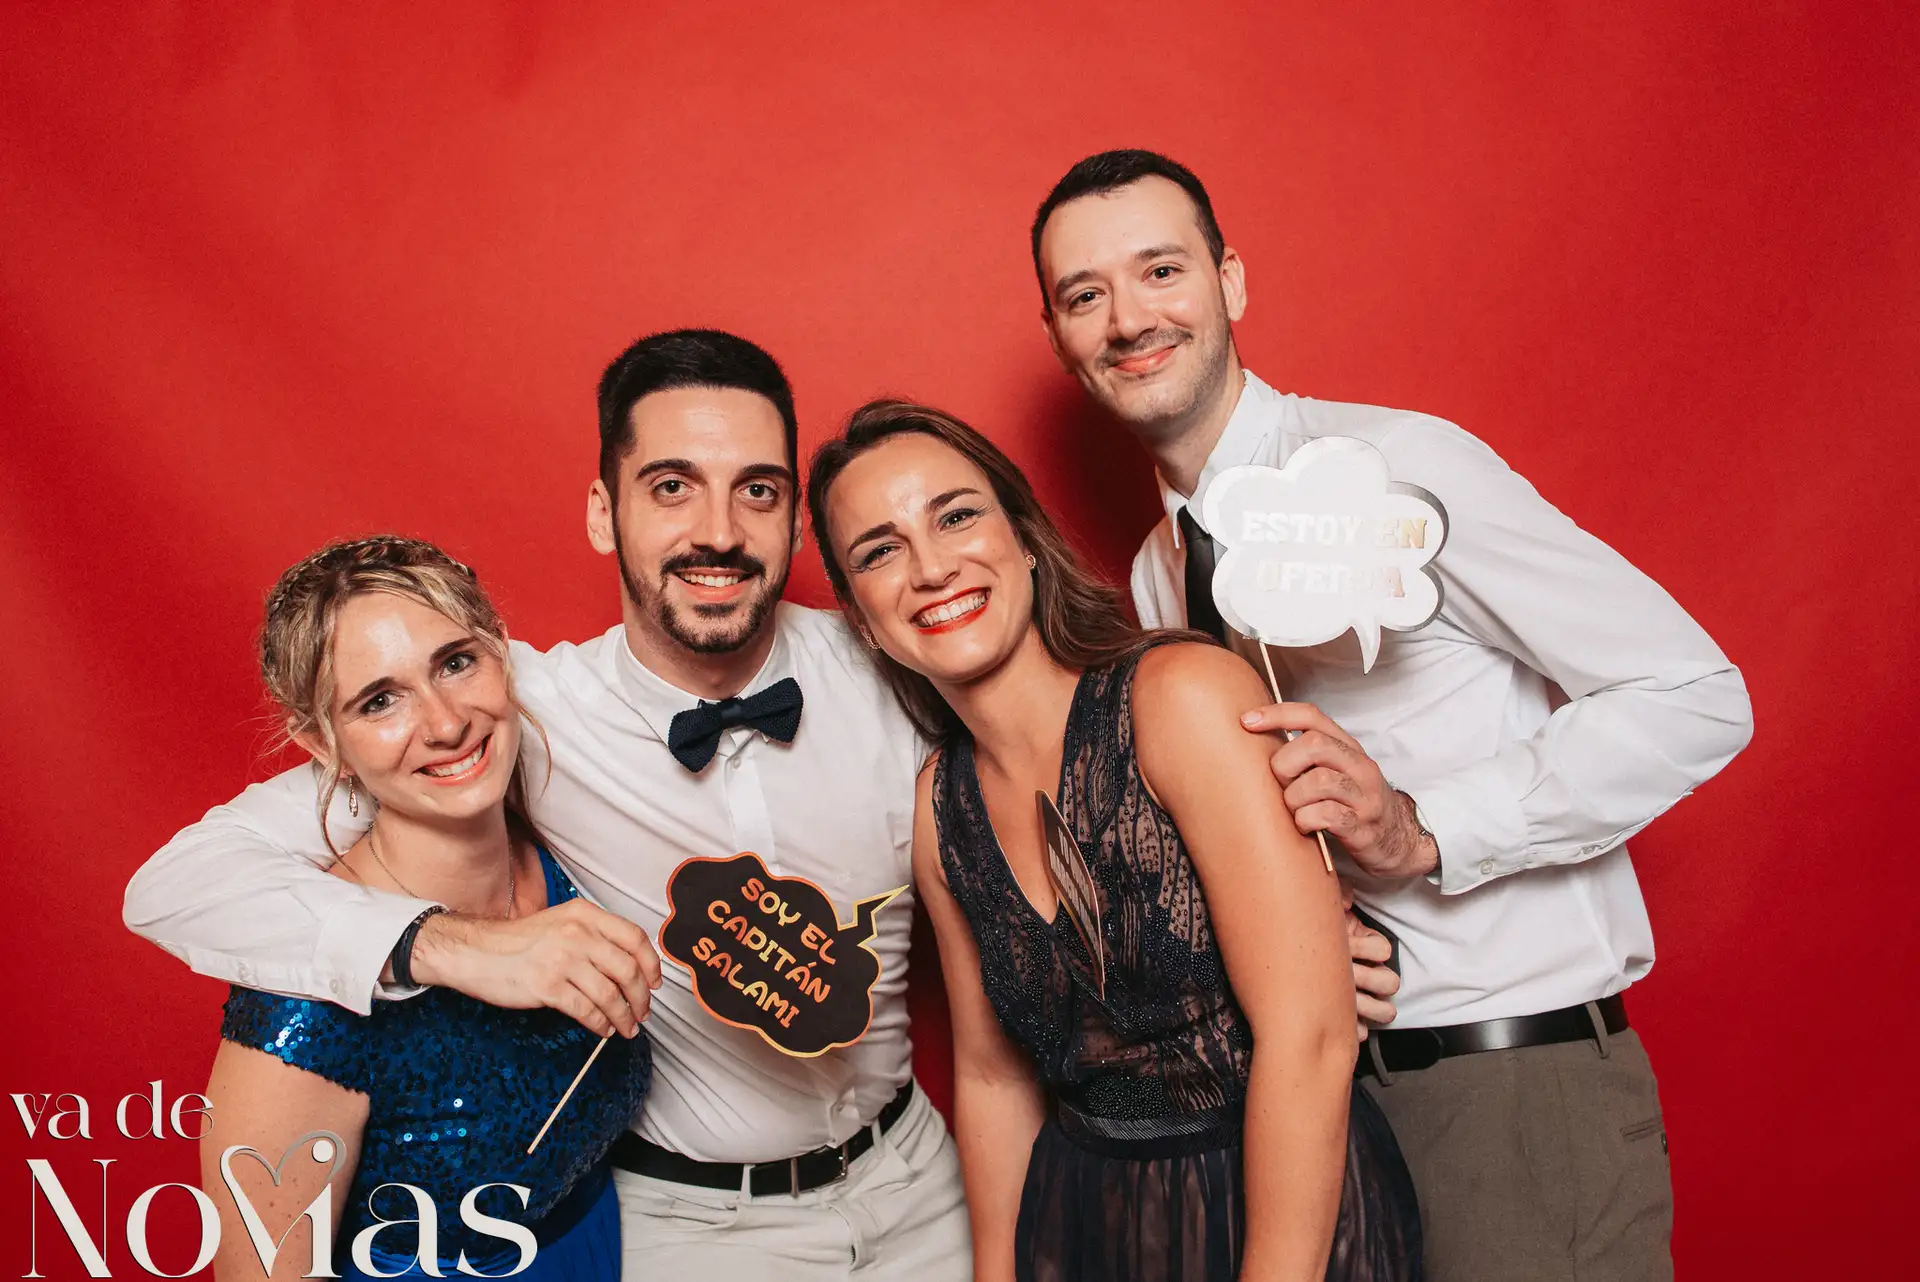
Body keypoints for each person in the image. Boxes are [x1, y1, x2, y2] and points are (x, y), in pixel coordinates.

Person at [1027, 149, 1755, 1281]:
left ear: (1230, 282)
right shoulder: (1159, 573)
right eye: (1086, 295)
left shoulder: (1403, 470)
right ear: (1060, 338)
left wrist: (1424, 831)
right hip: (1314, 1109)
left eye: (1160, 270)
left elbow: (1694, 696)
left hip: (1507, 1090)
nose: (1129, 319)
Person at [127, 331, 972, 1282]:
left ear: (794, 522)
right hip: (694, 1229)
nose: (720, 532)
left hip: (916, 1181)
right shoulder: (515, 715)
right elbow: (177, 885)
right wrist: (453, 945)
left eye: (759, 491)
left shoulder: (897, 665)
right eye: (672, 487)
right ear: (604, 513)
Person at [807, 399, 1423, 1282]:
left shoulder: (1181, 698)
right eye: (879, 551)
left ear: (1024, 538)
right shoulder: (940, 811)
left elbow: (1312, 1033)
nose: (931, 567)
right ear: (861, 615)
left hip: (1276, 1205)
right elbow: (992, 1080)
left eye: (956, 516)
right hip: (1084, 1221)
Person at [198, 536, 651, 1280]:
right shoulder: (306, 998)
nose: (445, 723)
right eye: (380, 701)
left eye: (456, 662)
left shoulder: (566, 849)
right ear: (323, 743)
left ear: (501, 652)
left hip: (603, 1249)